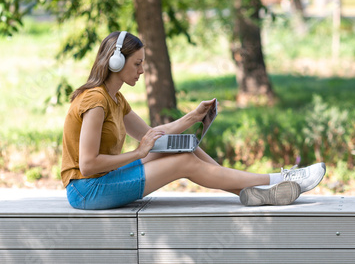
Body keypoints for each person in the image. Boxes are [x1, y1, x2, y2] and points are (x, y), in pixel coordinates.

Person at [61, 31, 326, 210]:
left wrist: (193, 117)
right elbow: (88, 164)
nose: (142, 70)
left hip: (103, 180)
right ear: (116, 62)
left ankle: (252, 192)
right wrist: (138, 153)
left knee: (182, 145)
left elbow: (153, 135)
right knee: (185, 161)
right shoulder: (95, 102)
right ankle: (274, 180)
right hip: (87, 190)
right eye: (137, 64)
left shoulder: (116, 99)